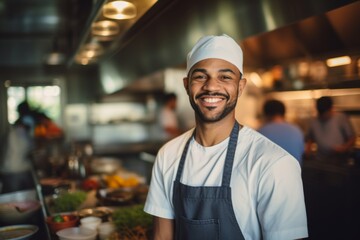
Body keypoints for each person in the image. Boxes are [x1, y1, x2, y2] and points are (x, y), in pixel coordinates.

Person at [144, 34, 308, 240]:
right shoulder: (168, 155)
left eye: (225, 77)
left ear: (240, 86)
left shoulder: (274, 164)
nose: (211, 86)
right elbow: (162, 236)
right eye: (200, 76)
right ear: (187, 85)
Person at [0, 101, 36, 193]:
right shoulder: (19, 131)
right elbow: (28, 148)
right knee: (15, 201)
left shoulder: (17, 129)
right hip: (14, 171)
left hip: (12, 170)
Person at [305, 96, 356, 160]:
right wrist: (307, 151)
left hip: (340, 160)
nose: (322, 117)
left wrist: (343, 148)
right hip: (321, 159)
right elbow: (309, 139)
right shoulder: (314, 121)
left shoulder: (341, 118)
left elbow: (352, 138)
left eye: (325, 114)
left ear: (331, 109)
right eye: (320, 114)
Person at [258, 99, 305, 164]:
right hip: (295, 172)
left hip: (271, 172)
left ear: (266, 114)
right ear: (284, 113)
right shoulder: (296, 130)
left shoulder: (261, 132)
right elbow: (302, 152)